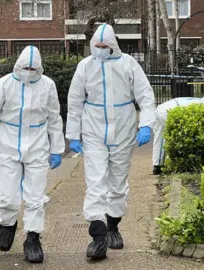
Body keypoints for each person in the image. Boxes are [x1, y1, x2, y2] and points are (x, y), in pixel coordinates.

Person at [66, 24, 156, 260]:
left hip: (123, 128)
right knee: (95, 182)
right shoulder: (85, 66)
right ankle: (97, 236)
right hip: (94, 128)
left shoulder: (128, 64)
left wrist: (146, 124)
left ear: (113, 46)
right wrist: (73, 135)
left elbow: (145, 95)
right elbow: (75, 101)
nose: (101, 50)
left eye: (105, 46)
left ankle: (113, 225)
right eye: (97, 46)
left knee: (117, 182)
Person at [0, 46, 65, 264]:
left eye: (33, 68)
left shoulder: (47, 85)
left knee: (36, 196)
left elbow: (54, 117)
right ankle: (7, 222)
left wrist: (57, 149)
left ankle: (33, 238)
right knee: (8, 196)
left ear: (39, 68)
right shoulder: (4, 84)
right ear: (18, 65)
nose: (29, 71)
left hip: (37, 145)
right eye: (25, 67)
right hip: (8, 145)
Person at [152, 93, 204, 175]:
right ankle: (174, 165)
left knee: (160, 137)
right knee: (177, 137)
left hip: (161, 108)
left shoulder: (201, 101)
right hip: (169, 111)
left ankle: (157, 166)